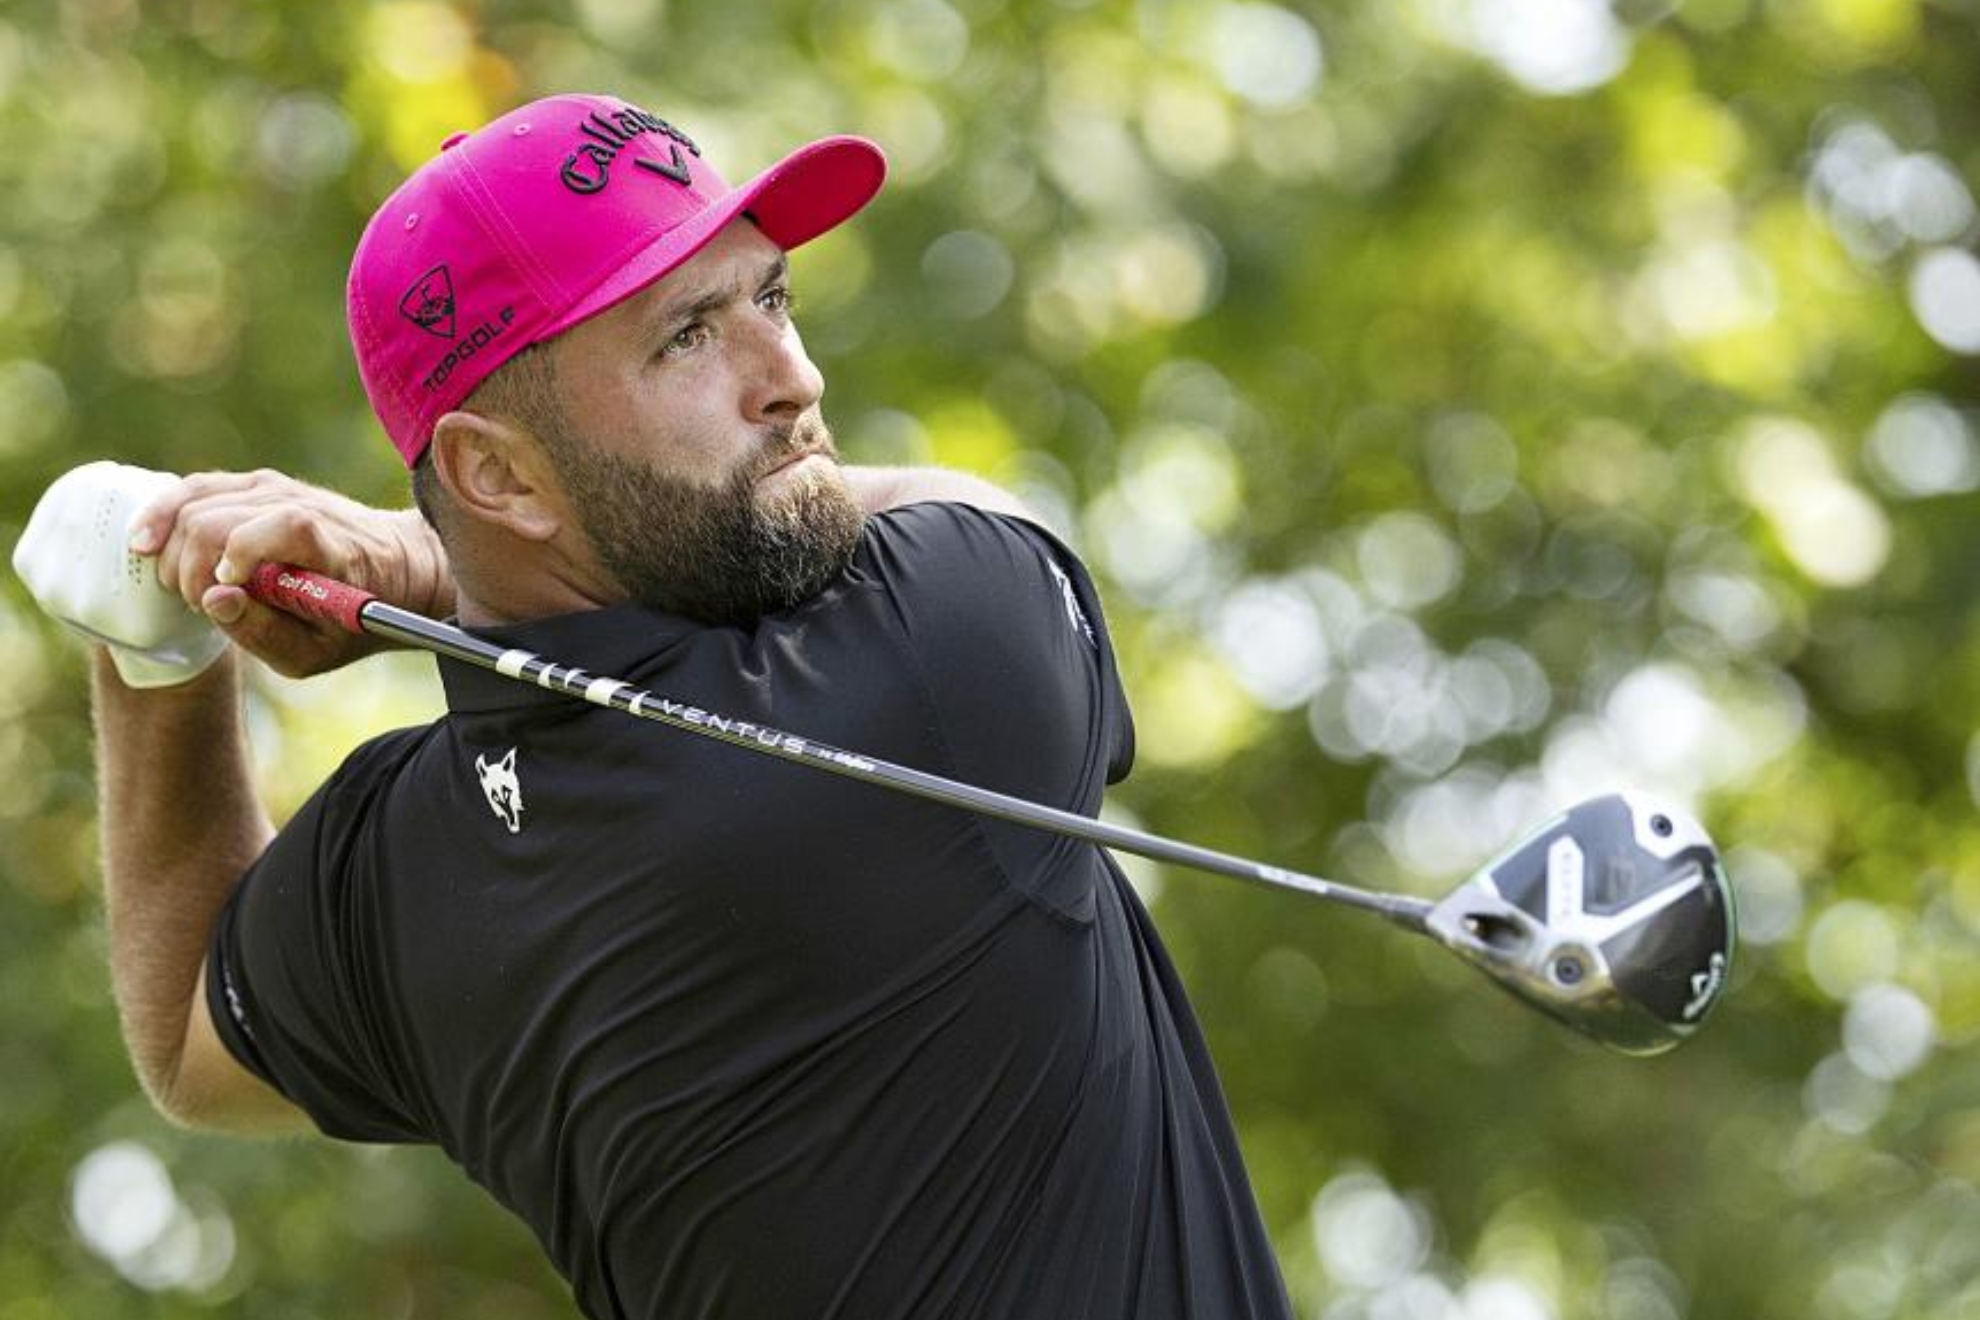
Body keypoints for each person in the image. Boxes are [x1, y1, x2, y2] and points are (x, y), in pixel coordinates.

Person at [15, 93, 1293, 1319]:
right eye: (690, 335)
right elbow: (990, 523)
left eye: (772, 295)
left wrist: (157, 657)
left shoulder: (407, 875)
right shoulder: (940, 665)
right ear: (496, 472)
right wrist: (418, 558)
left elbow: (190, 1043)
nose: (790, 374)